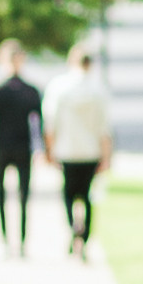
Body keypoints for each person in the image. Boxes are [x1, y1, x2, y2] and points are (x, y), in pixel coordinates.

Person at [0, 41, 46, 252]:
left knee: (24, 196)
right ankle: (5, 240)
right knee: (1, 194)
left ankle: (22, 241)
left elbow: (39, 123)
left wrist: (41, 148)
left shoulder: (31, 91)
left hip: (24, 148)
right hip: (2, 147)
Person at [43, 43, 114, 255]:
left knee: (68, 194)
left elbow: (50, 124)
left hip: (67, 151)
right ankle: (85, 237)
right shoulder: (98, 90)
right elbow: (105, 129)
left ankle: (72, 227)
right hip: (90, 152)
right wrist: (107, 157)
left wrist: (49, 151)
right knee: (88, 196)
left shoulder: (59, 87)